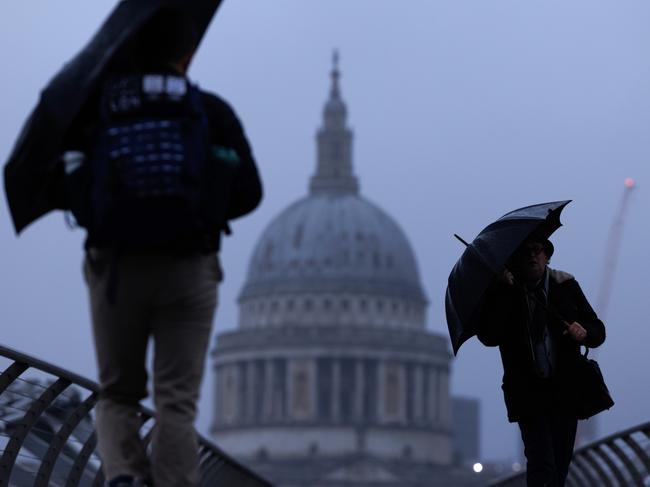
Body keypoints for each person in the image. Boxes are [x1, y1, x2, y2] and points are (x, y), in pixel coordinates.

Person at [63, 9, 262, 487]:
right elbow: (250, 192)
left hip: (116, 269)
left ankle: (124, 476)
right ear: (186, 53)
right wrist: (204, 214)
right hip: (190, 268)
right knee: (176, 398)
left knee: (118, 390)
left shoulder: (95, 111)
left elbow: (72, 195)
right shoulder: (210, 111)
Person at [476, 236, 605, 487]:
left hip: (565, 391)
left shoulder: (565, 285)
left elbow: (598, 329)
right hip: (528, 394)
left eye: (537, 250)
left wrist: (585, 332)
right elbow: (489, 336)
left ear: (547, 256)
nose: (532, 256)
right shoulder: (504, 289)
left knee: (559, 463)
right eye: (525, 252)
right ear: (515, 260)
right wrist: (502, 290)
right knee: (541, 463)